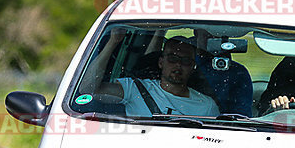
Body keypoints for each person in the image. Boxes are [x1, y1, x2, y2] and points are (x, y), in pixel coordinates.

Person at [86, 31, 219, 117]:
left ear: (193, 67)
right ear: (161, 62)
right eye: (172, 58)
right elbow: (87, 90)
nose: (178, 65)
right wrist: (113, 42)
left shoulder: (206, 106)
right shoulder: (135, 89)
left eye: (185, 61)